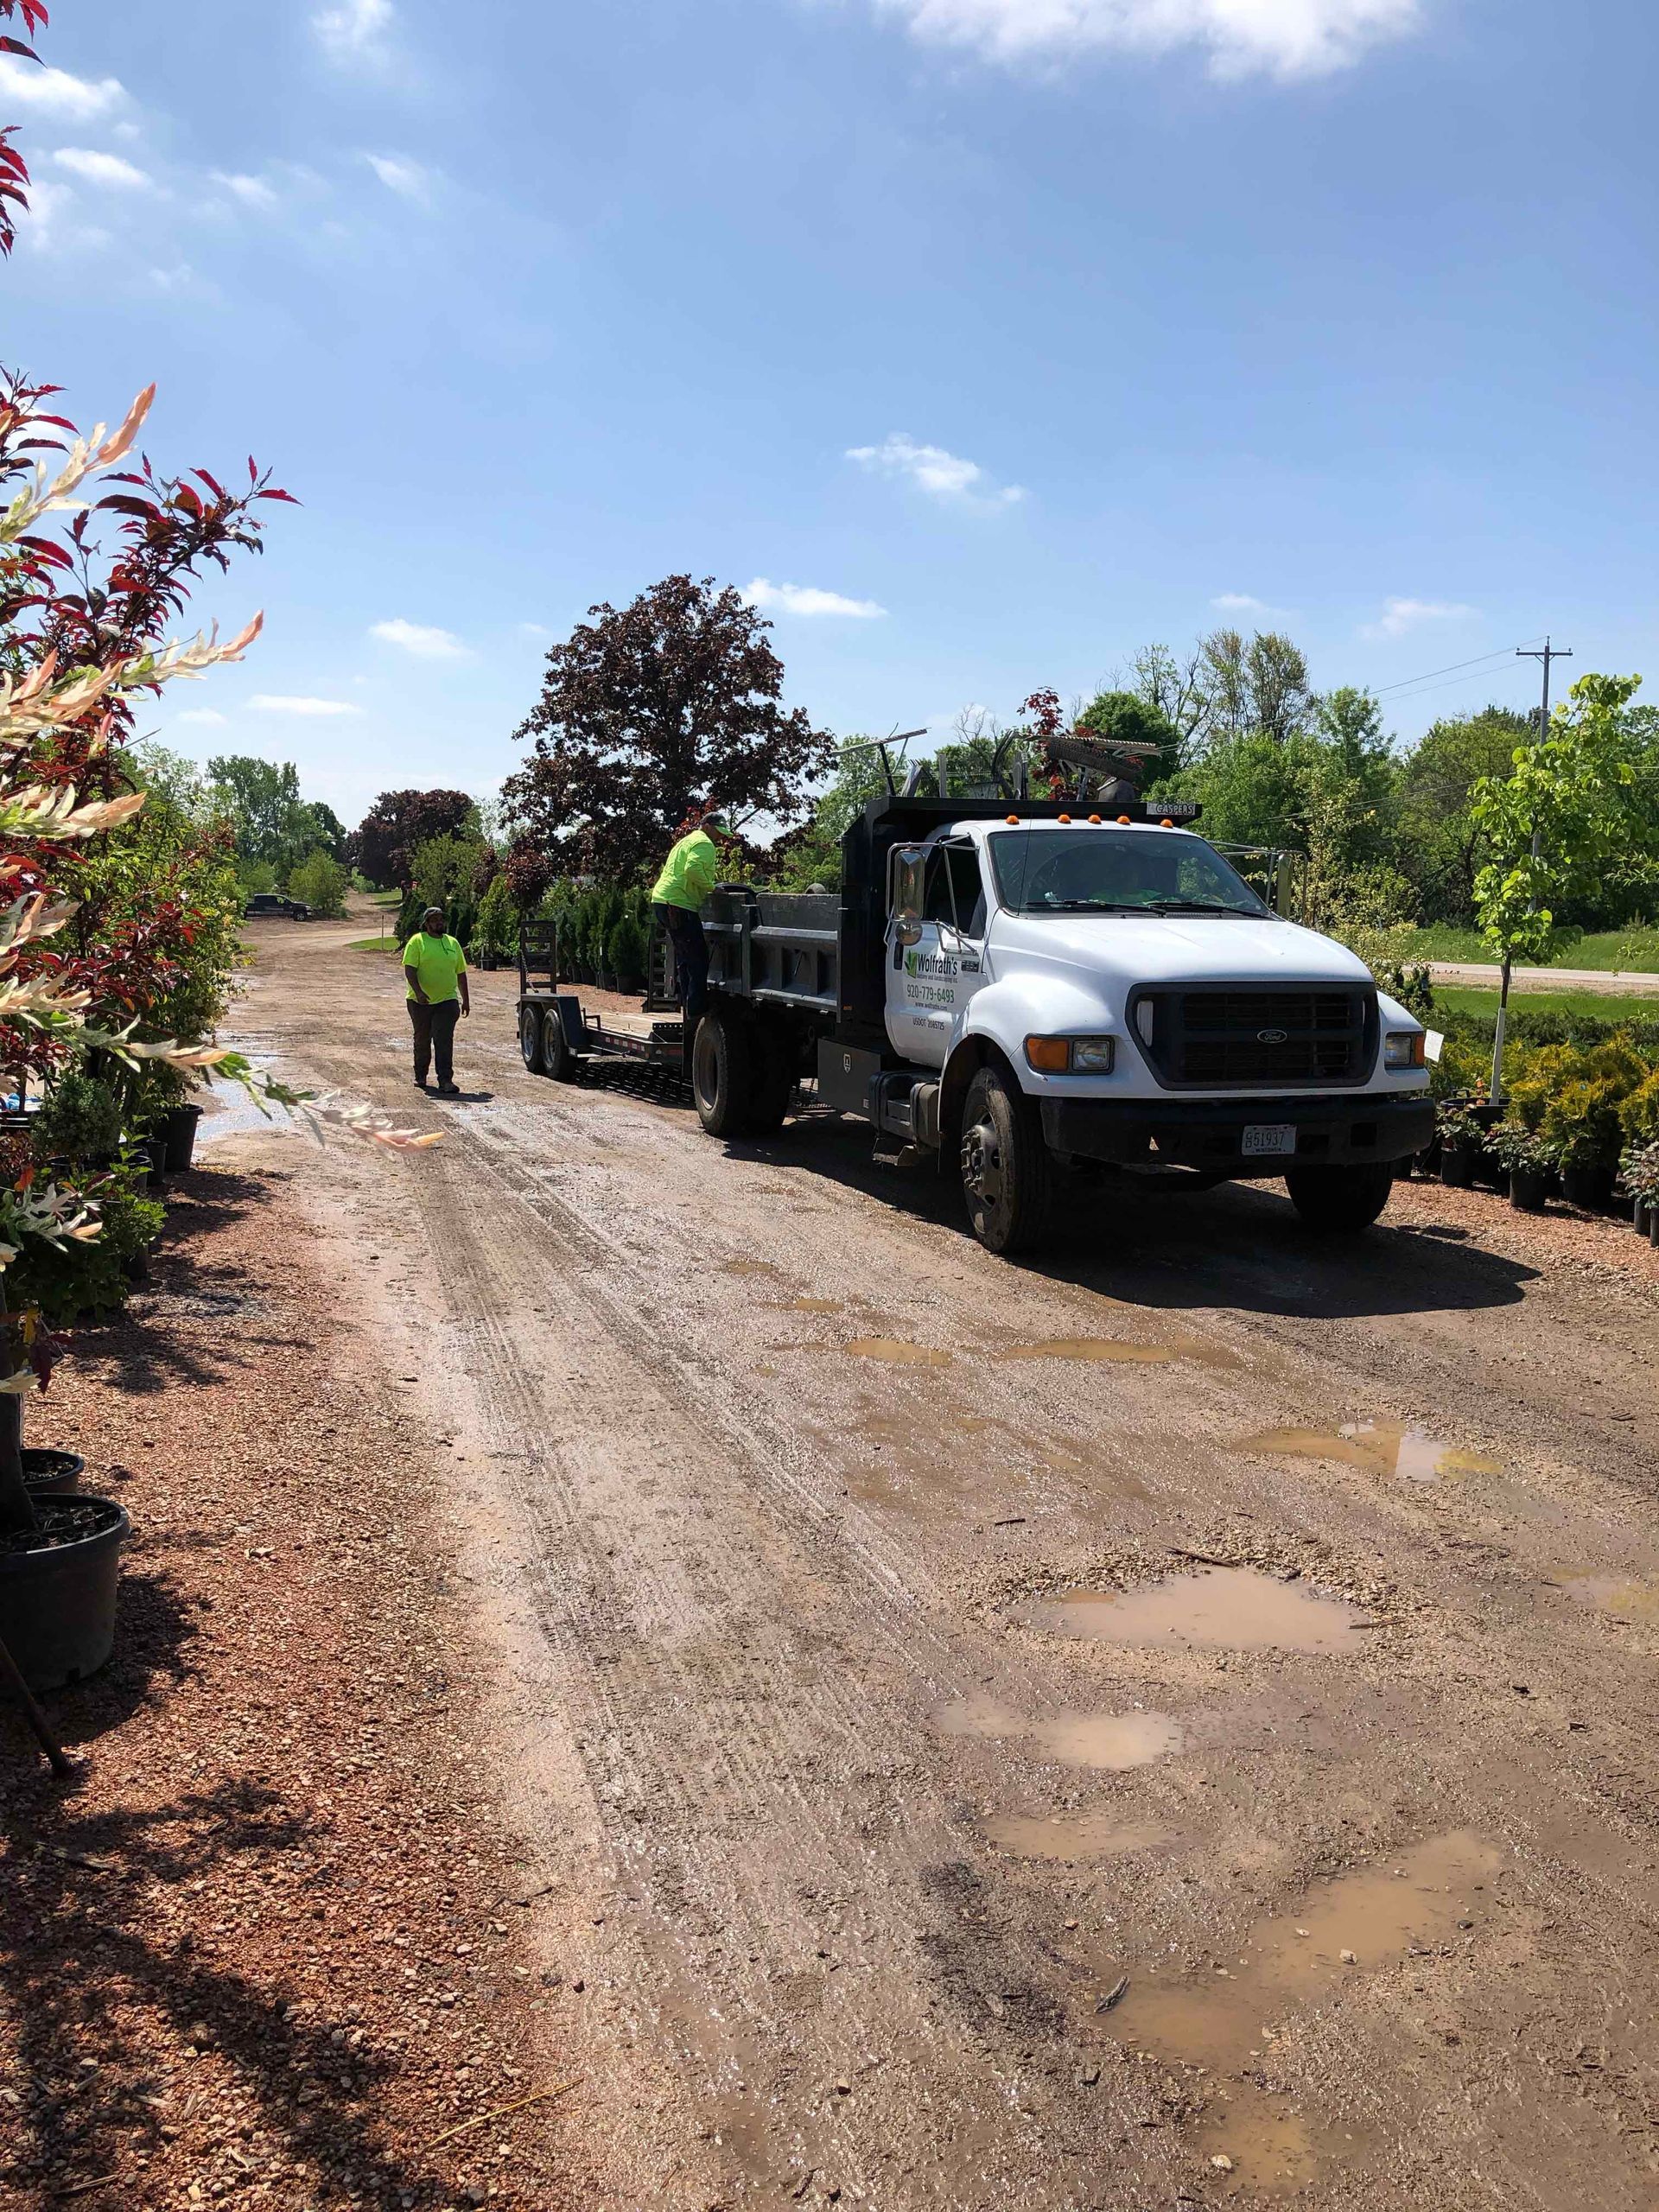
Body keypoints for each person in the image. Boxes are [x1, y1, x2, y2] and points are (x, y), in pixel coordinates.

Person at [651, 813, 729, 1041]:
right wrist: (712, 887)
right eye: (718, 832)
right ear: (706, 826)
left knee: (686, 959)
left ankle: (687, 1005)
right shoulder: (704, 843)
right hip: (679, 904)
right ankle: (697, 1010)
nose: (719, 838)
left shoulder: (686, 840)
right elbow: (692, 870)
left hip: (664, 901)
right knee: (698, 958)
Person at [402, 903, 469, 1095]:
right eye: (435, 920)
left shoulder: (452, 943)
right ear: (427, 924)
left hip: (447, 1000)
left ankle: (445, 1080)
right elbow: (410, 970)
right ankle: (421, 1074)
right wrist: (419, 992)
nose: (440, 923)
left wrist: (466, 999)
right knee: (422, 1038)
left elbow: (461, 973)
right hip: (419, 1001)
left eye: (441, 919)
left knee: (444, 1039)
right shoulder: (417, 942)